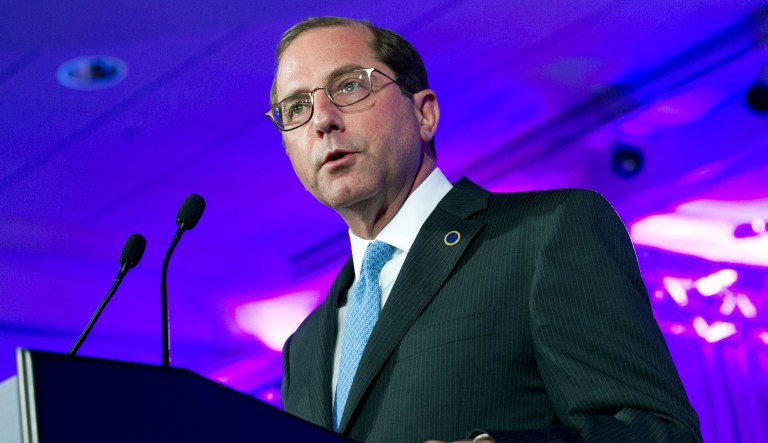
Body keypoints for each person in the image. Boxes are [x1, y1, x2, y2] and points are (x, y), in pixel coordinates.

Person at [268, 16, 702, 443]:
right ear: (289, 151)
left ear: (425, 114)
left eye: (348, 86)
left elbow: (661, 433)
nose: (322, 118)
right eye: (296, 108)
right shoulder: (303, 350)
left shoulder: (546, 233)